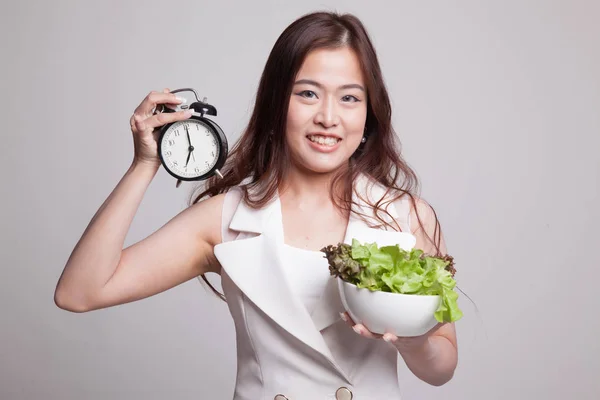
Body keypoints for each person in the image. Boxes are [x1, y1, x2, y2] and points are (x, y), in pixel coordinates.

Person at [54, 10, 458, 400]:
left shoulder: (407, 216)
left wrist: (415, 340)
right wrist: (144, 164)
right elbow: (80, 291)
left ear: (368, 114)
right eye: (307, 93)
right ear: (276, 102)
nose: (328, 117)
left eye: (350, 98)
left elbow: (442, 368)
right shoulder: (225, 219)